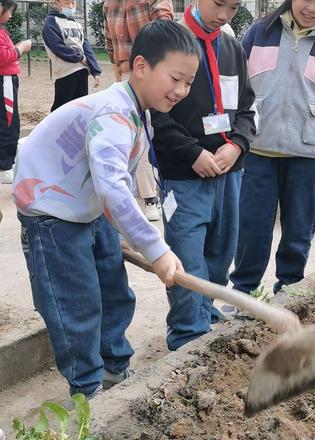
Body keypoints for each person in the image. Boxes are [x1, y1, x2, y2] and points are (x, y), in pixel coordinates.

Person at [12, 20, 200, 401]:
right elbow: (114, 188)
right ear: (143, 67)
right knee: (74, 303)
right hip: (50, 214)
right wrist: (156, 249)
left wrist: (120, 230)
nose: (181, 91)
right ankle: (88, 390)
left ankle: (114, 368)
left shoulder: (138, 111)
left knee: (114, 292)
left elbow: (120, 181)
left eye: (189, 83)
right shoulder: (113, 113)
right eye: (176, 78)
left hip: (88, 207)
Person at [226, 0, 315, 304]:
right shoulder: (260, 33)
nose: (312, 8)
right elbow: (235, 87)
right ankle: (243, 293)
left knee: (298, 229)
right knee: (251, 226)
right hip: (257, 149)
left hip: (308, 155)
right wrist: (232, 136)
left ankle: (289, 291)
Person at [151, 0, 256, 350]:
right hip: (185, 177)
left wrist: (237, 144)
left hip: (228, 172)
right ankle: (186, 336)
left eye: (234, 8)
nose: (224, 15)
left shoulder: (232, 48)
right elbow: (155, 113)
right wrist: (192, 152)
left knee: (219, 254)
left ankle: (206, 320)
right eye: (218, 4)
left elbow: (246, 107)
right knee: (187, 258)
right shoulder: (172, 44)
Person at [103, 0, 175, 221]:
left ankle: (143, 196)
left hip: (137, 75)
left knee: (138, 135)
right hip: (137, 75)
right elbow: (108, 39)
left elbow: (108, 42)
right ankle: (148, 197)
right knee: (137, 136)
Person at [43, 0, 102, 111]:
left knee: (80, 108)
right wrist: (80, 57)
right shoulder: (51, 22)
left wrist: (95, 70)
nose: (70, 6)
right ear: (57, 3)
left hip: (82, 71)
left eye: (73, 3)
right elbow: (57, 47)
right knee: (61, 109)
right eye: (66, 3)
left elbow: (86, 47)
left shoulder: (77, 24)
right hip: (65, 73)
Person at [0, 0, 31, 184]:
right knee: (9, 122)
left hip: (8, 80)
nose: (11, 15)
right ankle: (4, 167)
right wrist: (21, 47)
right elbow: (4, 57)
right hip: (4, 79)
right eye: (9, 10)